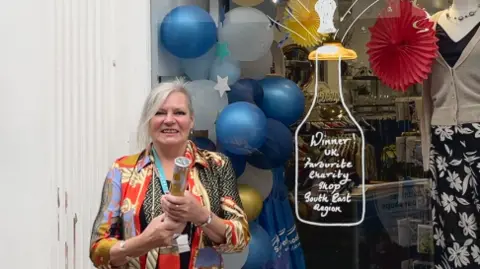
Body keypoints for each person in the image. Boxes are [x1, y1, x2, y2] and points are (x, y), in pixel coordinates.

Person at [89, 78, 250, 269]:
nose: (169, 120)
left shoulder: (217, 165)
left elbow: (240, 239)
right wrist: (145, 241)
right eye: (160, 113)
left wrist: (202, 216)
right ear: (149, 121)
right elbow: (97, 251)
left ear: (191, 121)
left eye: (179, 112)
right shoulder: (122, 170)